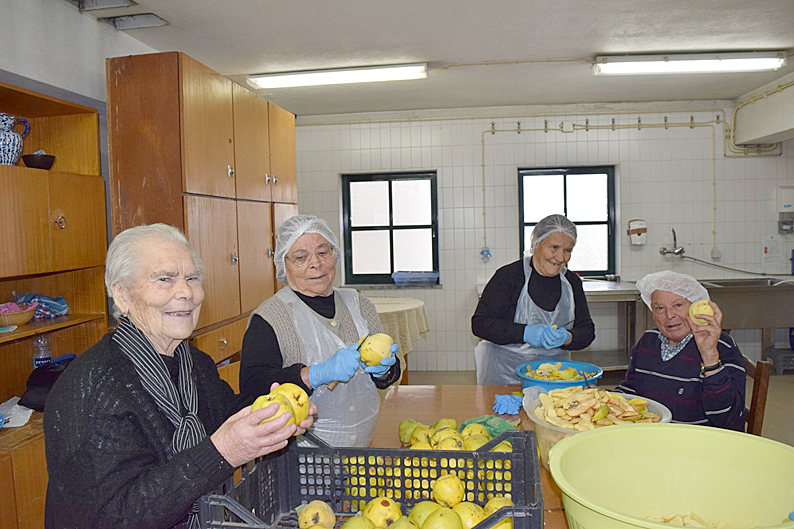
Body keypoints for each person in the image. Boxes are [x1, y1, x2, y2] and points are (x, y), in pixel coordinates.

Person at [44, 224, 316, 528]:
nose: (186, 292)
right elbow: (113, 517)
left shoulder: (195, 364)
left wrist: (273, 419)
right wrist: (223, 451)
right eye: (165, 279)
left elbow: (227, 414)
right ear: (121, 294)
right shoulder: (94, 389)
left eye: (192, 278)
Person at [240, 215, 400, 447]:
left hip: (363, 447)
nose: (316, 263)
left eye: (323, 252)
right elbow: (251, 388)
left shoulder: (359, 305)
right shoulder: (269, 318)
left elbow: (386, 378)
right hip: (302, 455)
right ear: (284, 264)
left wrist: (384, 371)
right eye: (300, 257)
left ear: (335, 255)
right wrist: (312, 375)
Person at [472, 214, 595, 385]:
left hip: (555, 381)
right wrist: (524, 333)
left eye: (567, 250)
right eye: (554, 247)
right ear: (537, 243)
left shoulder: (572, 283)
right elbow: (480, 324)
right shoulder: (508, 277)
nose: (561, 258)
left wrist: (568, 337)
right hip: (505, 376)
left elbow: (587, 331)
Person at [616, 270, 746, 431]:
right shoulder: (648, 341)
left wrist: (709, 355)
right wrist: (605, 396)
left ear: (695, 307)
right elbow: (632, 389)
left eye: (678, 305)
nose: (669, 315)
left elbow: (728, 418)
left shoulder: (720, 345)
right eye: (660, 308)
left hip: (699, 438)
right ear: (652, 312)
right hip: (652, 434)